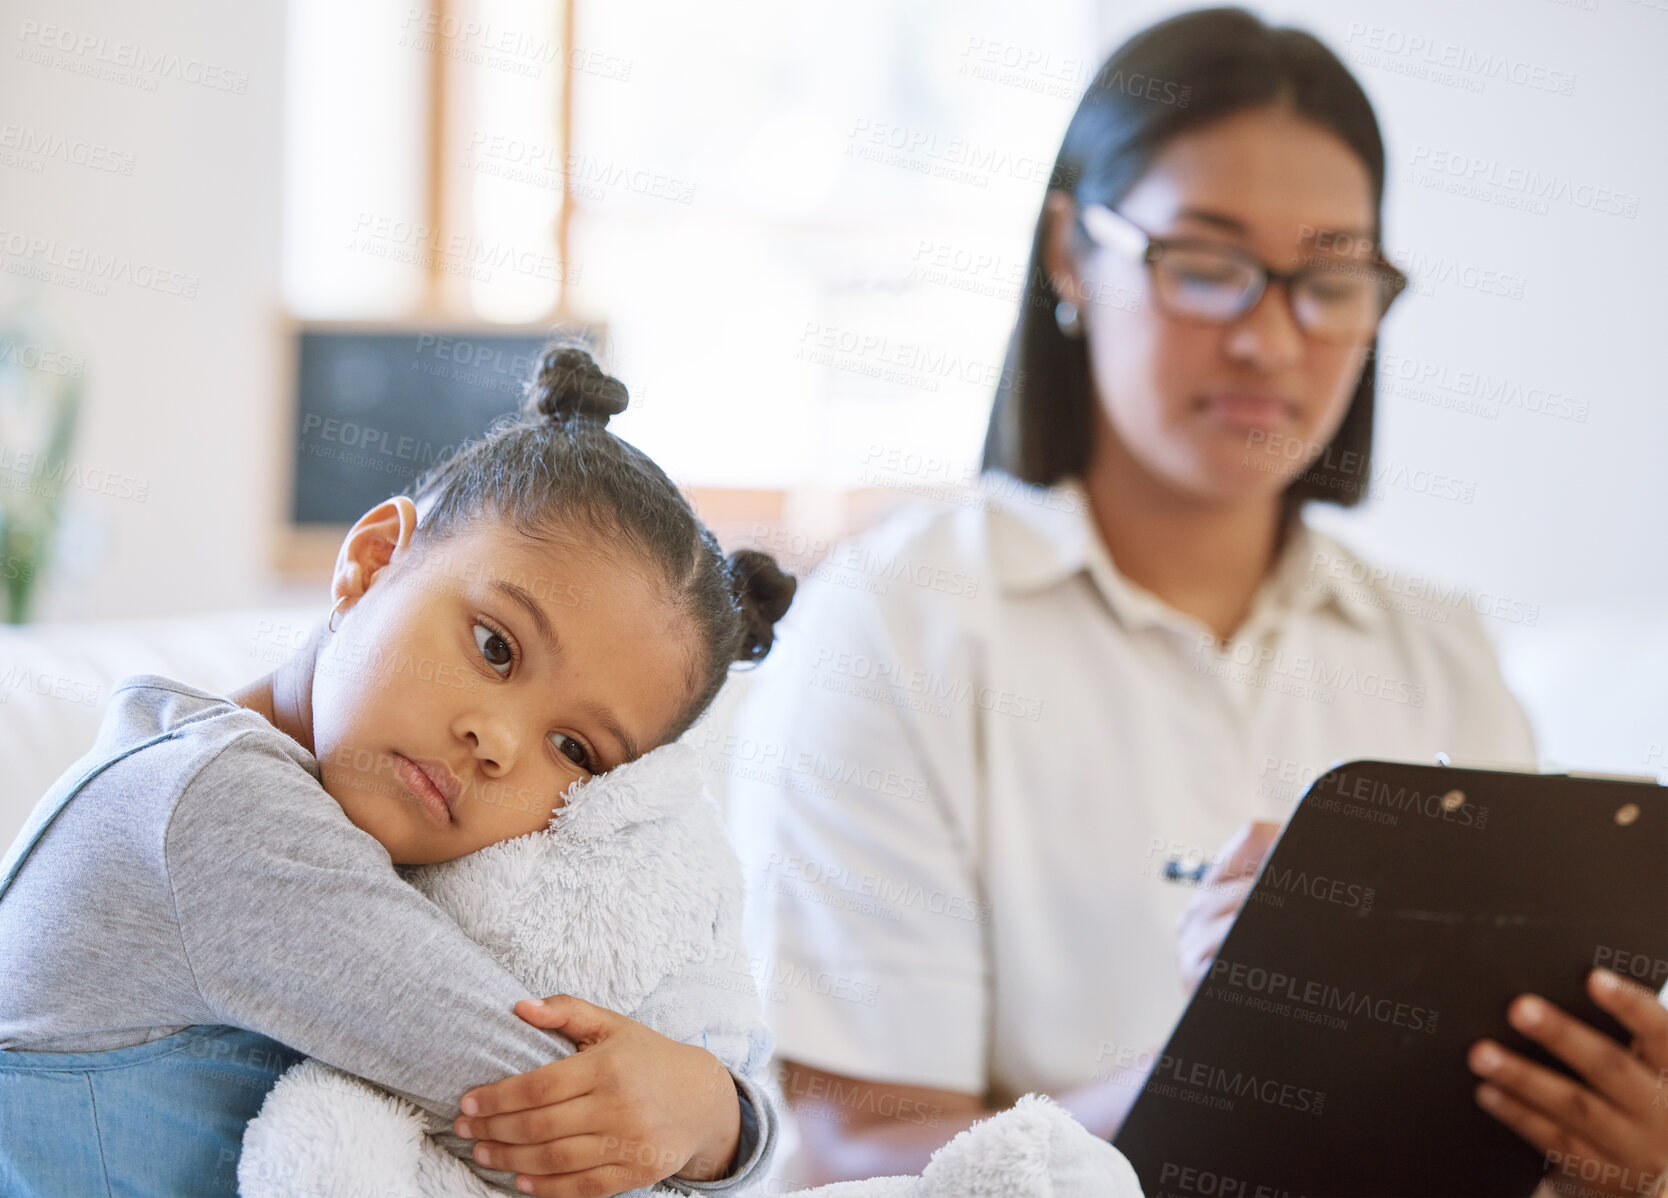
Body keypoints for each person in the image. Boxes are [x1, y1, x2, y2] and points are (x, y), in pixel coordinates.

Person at [720, 7, 1542, 1183]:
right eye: (1206, 265)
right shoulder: (901, 623)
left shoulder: (1439, 653)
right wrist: (1212, 1067)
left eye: (1331, 279)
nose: (1269, 339)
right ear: (1071, 251)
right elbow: (857, 1150)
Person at [0, 346, 796, 1198]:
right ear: (372, 560)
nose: (497, 744)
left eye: (573, 750)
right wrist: (723, 1118)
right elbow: (545, 1108)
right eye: (496, 647)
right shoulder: (214, 808)